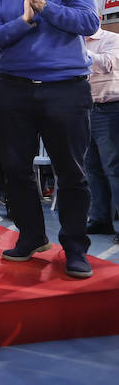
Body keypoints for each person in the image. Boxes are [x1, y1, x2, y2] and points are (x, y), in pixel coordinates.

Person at [0, 0, 99, 278]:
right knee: (16, 170)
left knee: (72, 173)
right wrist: (24, 21)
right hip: (14, 90)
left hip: (66, 88)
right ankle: (32, 236)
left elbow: (89, 22)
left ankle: (75, 248)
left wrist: (47, 7)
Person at [83, 27, 119, 242]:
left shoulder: (112, 38)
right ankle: (100, 219)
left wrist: (77, 51)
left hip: (110, 109)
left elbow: (106, 64)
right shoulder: (76, 42)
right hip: (84, 110)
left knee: (114, 167)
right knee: (91, 168)